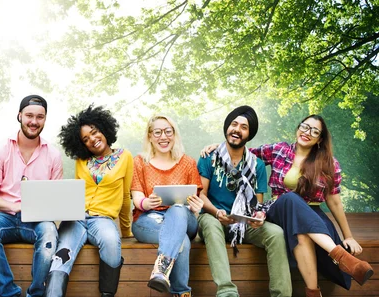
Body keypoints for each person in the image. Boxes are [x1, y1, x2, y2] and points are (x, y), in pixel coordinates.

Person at [248, 115, 374, 296]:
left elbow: (335, 201)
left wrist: (349, 236)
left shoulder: (329, 163)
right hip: (278, 209)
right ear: (298, 127)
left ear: (320, 139)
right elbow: (244, 154)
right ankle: (344, 259)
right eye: (305, 127)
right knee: (290, 199)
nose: (307, 133)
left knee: (302, 234)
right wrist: (218, 148)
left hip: (312, 215)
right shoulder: (279, 149)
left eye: (314, 131)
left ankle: (314, 292)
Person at [197, 105, 291, 297]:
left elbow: (257, 204)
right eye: (234, 124)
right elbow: (200, 194)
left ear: (249, 134)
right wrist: (217, 212)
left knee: (275, 233)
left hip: (242, 222)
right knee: (209, 222)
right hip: (214, 217)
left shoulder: (256, 164)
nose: (237, 130)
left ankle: (282, 294)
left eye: (243, 127)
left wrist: (258, 216)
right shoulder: (209, 158)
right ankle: (226, 292)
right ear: (227, 127)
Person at [0, 95, 63, 297]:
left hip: (36, 220)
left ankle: (35, 294)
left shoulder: (53, 154)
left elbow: (57, 198)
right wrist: (15, 207)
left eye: (39, 117)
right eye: (29, 115)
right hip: (4, 217)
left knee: (50, 233)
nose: (34, 121)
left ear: (45, 119)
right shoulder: (0, 149)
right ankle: (9, 294)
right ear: (20, 116)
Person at [44, 105, 133, 297]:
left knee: (111, 240)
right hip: (75, 218)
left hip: (102, 220)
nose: (92, 139)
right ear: (82, 144)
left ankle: (107, 294)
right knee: (62, 255)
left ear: (104, 129)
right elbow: (76, 192)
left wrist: (126, 230)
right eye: (86, 139)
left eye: (94, 132)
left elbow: (126, 196)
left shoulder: (124, 157)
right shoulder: (81, 161)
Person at [130, 114, 204, 297]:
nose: (163, 137)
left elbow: (195, 198)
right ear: (149, 136)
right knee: (182, 242)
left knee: (178, 208)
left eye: (168, 131)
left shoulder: (188, 163)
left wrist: (196, 207)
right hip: (148, 220)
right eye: (157, 132)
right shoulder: (140, 161)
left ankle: (161, 270)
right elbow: (137, 196)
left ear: (174, 134)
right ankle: (182, 293)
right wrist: (146, 203)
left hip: (185, 219)